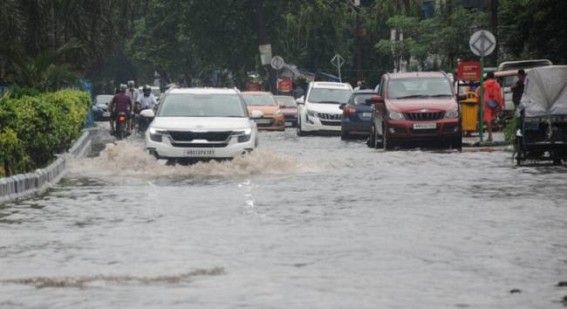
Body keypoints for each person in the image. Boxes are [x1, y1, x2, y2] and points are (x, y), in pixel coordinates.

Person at [477, 71, 503, 142]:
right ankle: (491, 134)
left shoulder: (484, 84)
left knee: (488, 120)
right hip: (495, 103)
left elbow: (479, 93)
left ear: (487, 77)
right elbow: (500, 96)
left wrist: (478, 101)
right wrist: (500, 106)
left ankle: (490, 136)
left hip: (487, 103)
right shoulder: (497, 84)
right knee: (491, 119)